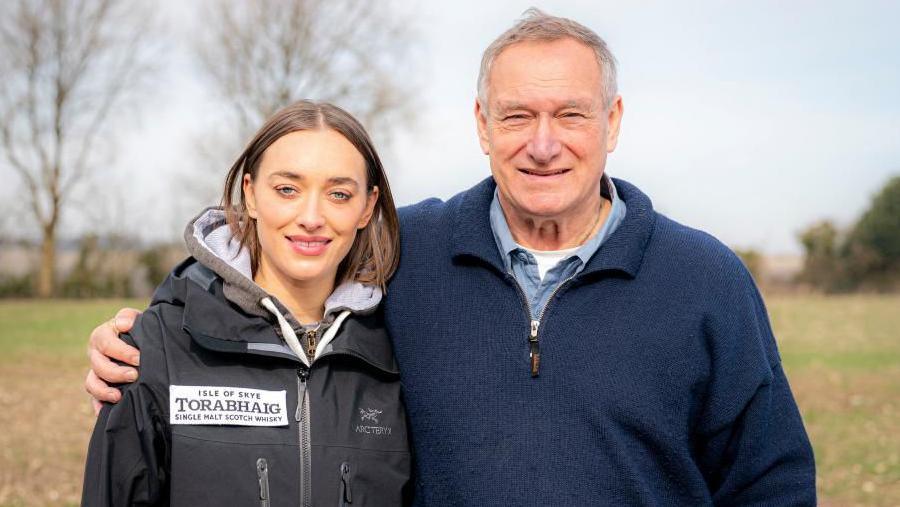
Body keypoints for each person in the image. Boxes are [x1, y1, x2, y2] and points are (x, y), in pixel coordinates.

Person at [84, 9, 816, 506]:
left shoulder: (706, 280)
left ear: (612, 121)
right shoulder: (408, 254)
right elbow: (273, 270)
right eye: (518, 115)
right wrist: (151, 339)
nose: (542, 142)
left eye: (570, 114)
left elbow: (772, 479)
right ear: (481, 124)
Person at [82, 101, 410, 506]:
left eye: (339, 194)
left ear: (367, 207)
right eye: (287, 189)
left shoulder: (401, 348)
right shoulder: (158, 346)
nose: (311, 216)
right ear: (251, 195)